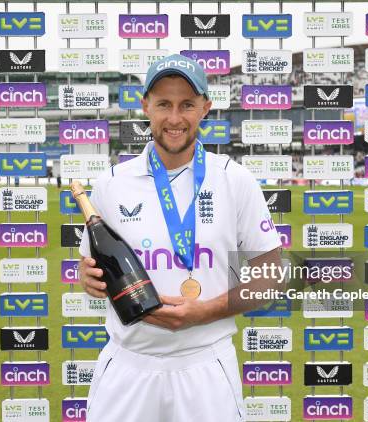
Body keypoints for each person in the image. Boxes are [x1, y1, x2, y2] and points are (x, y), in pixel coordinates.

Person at [78, 54, 282, 422]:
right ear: (145, 106)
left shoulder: (235, 180)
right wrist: (88, 277)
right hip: (129, 367)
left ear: (206, 107)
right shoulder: (110, 184)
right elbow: (90, 267)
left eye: (187, 104)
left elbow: (270, 279)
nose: (174, 118)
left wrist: (206, 312)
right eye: (163, 104)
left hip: (205, 366)